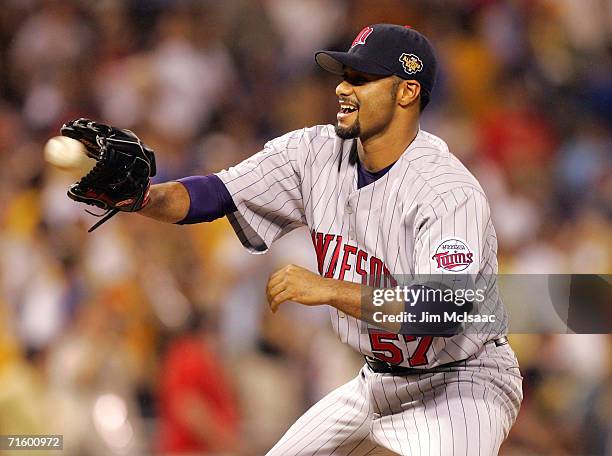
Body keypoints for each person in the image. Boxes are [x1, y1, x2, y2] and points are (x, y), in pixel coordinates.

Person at [65, 24, 523, 456]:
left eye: (362, 78)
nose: (343, 88)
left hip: (464, 380)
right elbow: (215, 194)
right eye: (345, 76)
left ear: (407, 92)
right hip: (379, 380)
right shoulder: (313, 153)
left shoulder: (447, 192)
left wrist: (327, 290)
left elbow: (441, 311)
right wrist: (142, 196)